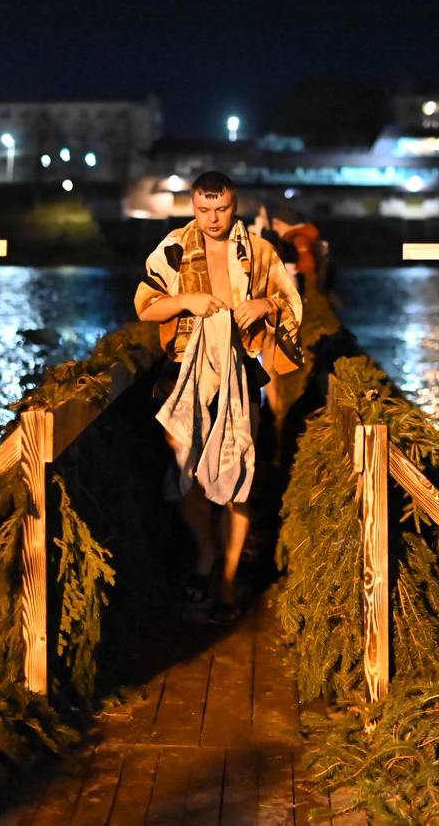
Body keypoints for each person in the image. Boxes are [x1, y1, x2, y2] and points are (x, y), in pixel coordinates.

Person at [134, 171, 303, 623]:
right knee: (184, 465)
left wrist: (266, 306)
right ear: (193, 206)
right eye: (204, 209)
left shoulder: (259, 252)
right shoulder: (172, 248)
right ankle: (206, 551)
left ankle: (226, 581)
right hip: (182, 370)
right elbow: (145, 305)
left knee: (238, 471)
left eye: (221, 209)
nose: (213, 219)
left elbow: (292, 304)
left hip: (240, 368)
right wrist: (189, 301)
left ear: (235, 205)